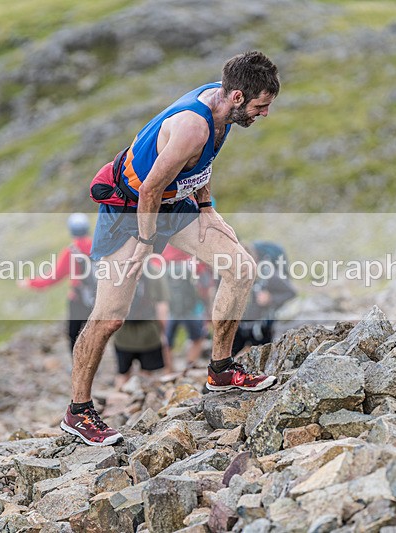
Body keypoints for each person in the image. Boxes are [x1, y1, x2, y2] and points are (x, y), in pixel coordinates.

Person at [61, 51, 281, 447]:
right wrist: (145, 245)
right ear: (236, 96)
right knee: (110, 317)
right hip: (130, 212)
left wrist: (208, 208)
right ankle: (78, 412)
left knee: (241, 268)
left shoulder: (224, 108)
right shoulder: (191, 128)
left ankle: (220, 368)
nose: (264, 114)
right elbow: (148, 190)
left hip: (175, 206)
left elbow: (201, 166)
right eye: (260, 106)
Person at [19, 213, 94, 351]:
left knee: (75, 336)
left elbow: (52, 278)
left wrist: (30, 283)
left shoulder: (71, 251)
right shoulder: (97, 246)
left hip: (78, 300)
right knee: (95, 335)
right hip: (98, 298)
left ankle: (79, 369)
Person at [231, 241, 297, 355]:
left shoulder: (268, 275)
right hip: (243, 327)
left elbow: (291, 292)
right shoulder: (238, 277)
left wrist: (270, 298)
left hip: (262, 328)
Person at [113, 260, 171, 388]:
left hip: (122, 334)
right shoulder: (154, 271)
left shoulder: (118, 271)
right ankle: (142, 403)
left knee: (122, 374)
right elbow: (162, 306)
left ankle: (117, 402)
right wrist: (162, 331)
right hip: (149, 335)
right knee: (147, 374)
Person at [162, 244, 208, 370]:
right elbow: (205, 285)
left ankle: (169, 370)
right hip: (192, 309)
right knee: (198, 337)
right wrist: (208, 307)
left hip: (170, 308)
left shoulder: (163, 255)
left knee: (166, 340)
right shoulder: (193, 257)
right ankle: (189, 366)